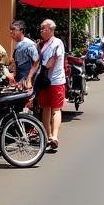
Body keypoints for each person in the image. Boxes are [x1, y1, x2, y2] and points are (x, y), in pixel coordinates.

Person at [29, 18, 66, 152]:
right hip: (44, 81)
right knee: (45, 107)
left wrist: (45, 67)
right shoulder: (42, 44)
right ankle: (48, 135)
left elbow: (54, 59)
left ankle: (54, 136)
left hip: (55, 80)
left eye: (43, 28)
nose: (41, 30)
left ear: (50, 29)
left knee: (56, 109)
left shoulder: (57, 43)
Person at [9, 19, 39, 88]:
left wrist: (29, 78)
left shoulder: (28, 44)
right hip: (19, 77)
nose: (11, 32)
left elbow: (36, 61)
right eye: (11, 29)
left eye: (14, 29)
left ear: (21, 30)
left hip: (26, 78)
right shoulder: (18, 43)